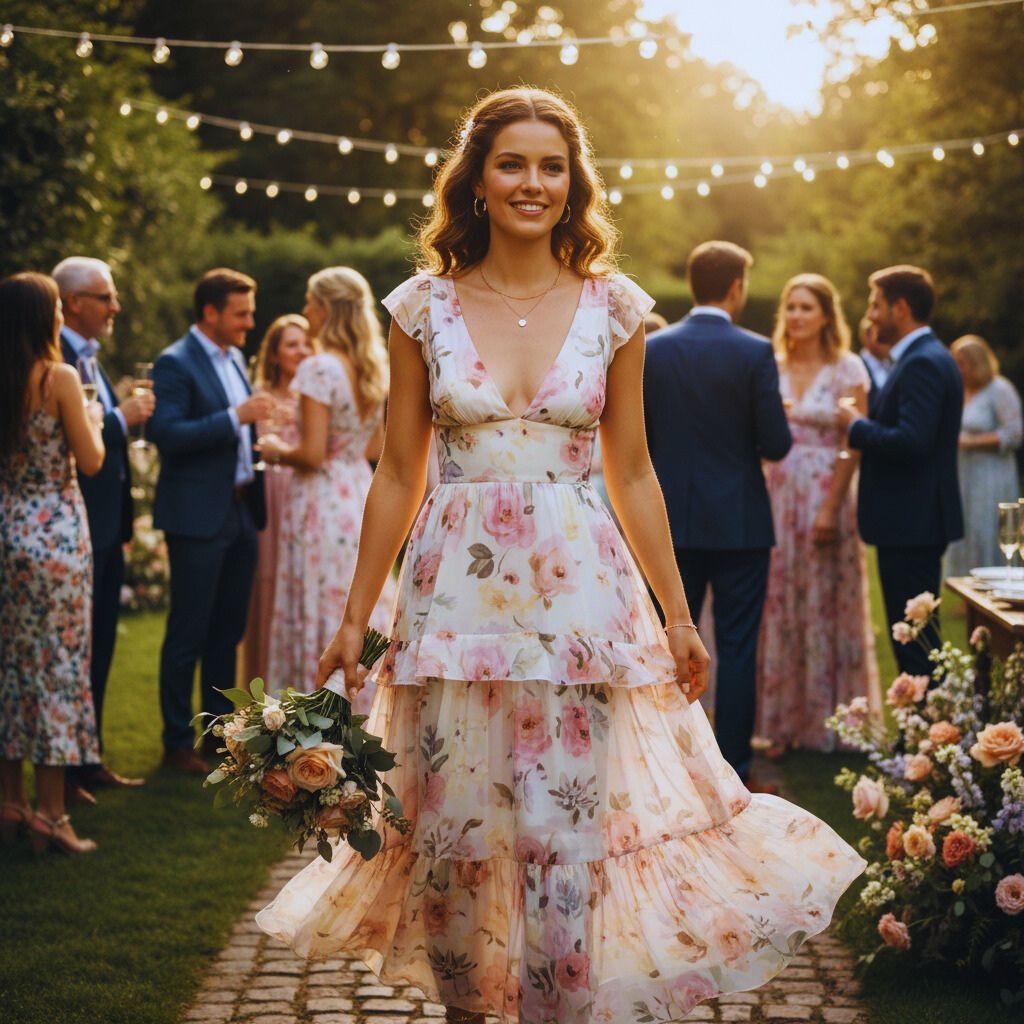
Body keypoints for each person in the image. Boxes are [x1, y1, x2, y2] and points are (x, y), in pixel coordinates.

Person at [257, 88, 862, 1024]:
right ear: (478, 183)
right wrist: (353, 619)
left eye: (551, 165)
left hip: (583, 607)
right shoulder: (421, 307)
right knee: (455, 844)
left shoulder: (616, 307)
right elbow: (395, 473)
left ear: (573, 182)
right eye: (512, 163)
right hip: (452, 609)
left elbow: (633, 472)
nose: (533, 182)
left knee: (562, 842)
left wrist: (673, 614)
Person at [644, 241, 792, 787]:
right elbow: (775, 444)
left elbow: (641, 443)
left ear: (691, 284)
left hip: (670, 522)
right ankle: (734, 764)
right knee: (736, 645)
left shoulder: (654, 350)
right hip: (740, 523)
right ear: (736, 288)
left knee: (666, 640)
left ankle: (666, 759)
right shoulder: (755, 352)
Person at [149, 269, 272, 774]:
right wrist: (234, 420)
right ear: (210, 313)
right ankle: (176, 742)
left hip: (241, 509)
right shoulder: (174, 362)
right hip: (197, 516)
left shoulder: (236, 358)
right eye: (241, 313)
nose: (250, 321)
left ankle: (218, 737)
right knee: (188, 631)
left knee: (227, 631)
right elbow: (167, 433)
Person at [259, 269, 394, 713]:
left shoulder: (319, 368)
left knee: (315, 601)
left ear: (327, 308)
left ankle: (306, 715)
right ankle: (364, 711)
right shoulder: (370, 366)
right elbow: (373, 447)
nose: (305, 311)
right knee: (350, 599)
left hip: (318, 500)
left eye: (310, 302)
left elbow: (313, 454)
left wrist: (276, 448)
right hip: (356, 492)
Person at [0, 273, 104, 853]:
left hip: (6, 532)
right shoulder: (58, 377)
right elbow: (89, 462)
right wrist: (97, 422)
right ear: (46, 318)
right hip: (56, 540)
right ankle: (53, 814)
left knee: (11, 670)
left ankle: (9, 802)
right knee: (58, 668)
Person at [756, 274, 879, 754]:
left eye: (807, 307)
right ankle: (781, 722)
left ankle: (832, 723)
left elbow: (855, 442)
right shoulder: (773, 365)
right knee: (780, 600)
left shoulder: (847, 369)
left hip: (827, 489)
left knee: (825, 600)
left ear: (827, 315)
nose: (797, 316)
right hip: (777, 490)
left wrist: (831, 505)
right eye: (790, 307)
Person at [51, 256, 153, 800]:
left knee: (102, 641)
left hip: (106, 525)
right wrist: (124, 417)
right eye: (104, 296)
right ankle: (63, 770)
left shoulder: (91, 356)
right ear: (72, 303)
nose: (114, 306)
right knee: (76, 645)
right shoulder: (56, 357)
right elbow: (78, 436)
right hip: (72, 522)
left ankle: (88, 757)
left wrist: (126, 522)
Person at [838, 265, 964, 677]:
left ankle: (929, 738)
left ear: (901, 307)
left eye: (876, 305)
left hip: (911, 522)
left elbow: (912, 441)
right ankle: (928, 736)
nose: (871, 315)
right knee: (917, 638)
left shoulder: (921, 363)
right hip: (914, 521)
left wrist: (856, 425)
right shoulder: (923, 357)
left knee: (916, 642)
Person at [240, 314, 314, 684]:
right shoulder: (259, 395)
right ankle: (260, 688)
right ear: (274, 353)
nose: (300, 351)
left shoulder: (316, 394)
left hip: (306, 498)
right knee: (265, 587)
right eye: (291, 344)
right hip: (269, 497)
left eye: (305, 343)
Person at [945, 334, 1022, 575]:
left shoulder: (999, 389)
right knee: (966, 527)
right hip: (963, 472)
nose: (958, 369)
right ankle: (968, 584)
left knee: (986, 526)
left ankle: (995, 578)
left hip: (991, 474)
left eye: (962, 363)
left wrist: (972, 442)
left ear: (977, 362)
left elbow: (1015, 432)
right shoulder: (960, 391)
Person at [857, 316, 892, 417]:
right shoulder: (856, 368)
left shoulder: (896, 365)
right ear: (866, 337)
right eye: (881, 334)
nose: (888, 340)